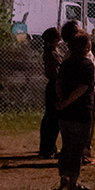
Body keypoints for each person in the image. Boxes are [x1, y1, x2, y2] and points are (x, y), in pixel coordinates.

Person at [56, 31, 95, 190]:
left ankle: (63, 178)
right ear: (86, 47)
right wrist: (67, 101)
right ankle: (73, 181)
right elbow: (83, 88)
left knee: (66, 146)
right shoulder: (87, 65)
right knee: (77, 148)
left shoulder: (66, 64)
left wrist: (62, 101)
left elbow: (58, 83)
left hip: (65, 113)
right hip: (81, 111)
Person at [38, 27, 61, 158]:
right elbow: (59, 68)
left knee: (51, 117)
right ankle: (47, 147)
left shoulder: (52, 51)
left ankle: (50, 146)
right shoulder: (52, 53)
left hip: (53, 85)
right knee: (52, 117)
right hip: (54, 85)